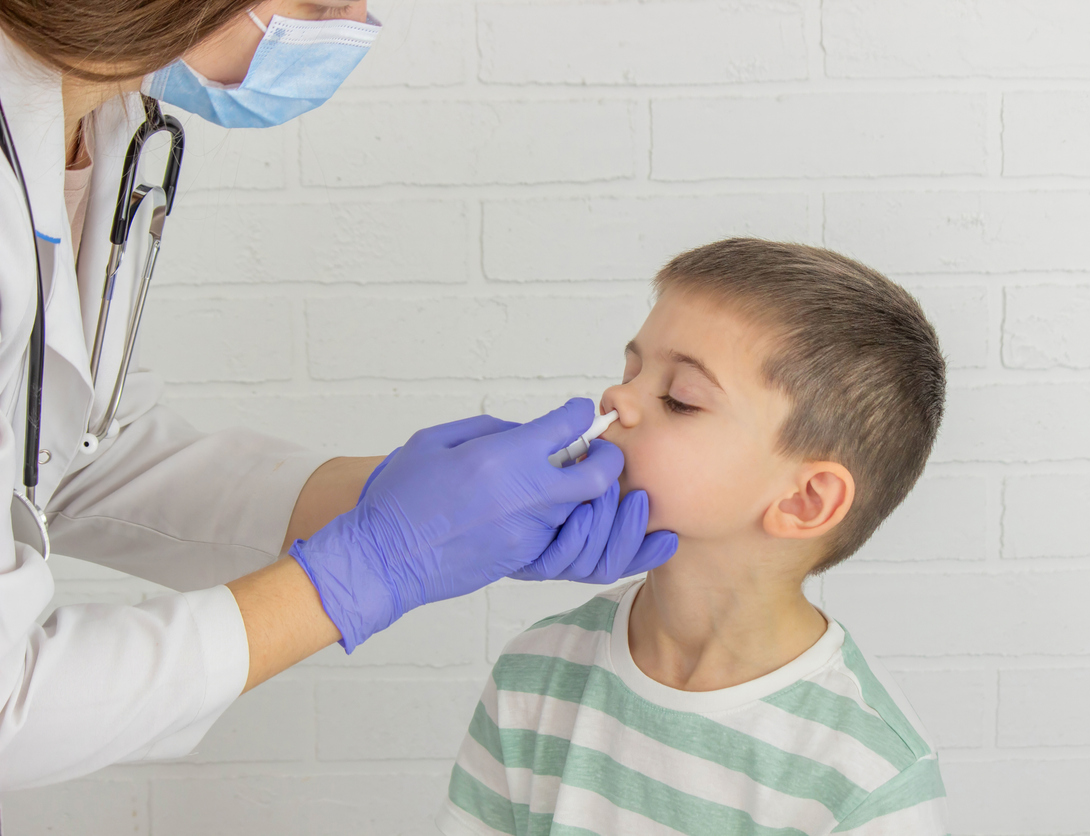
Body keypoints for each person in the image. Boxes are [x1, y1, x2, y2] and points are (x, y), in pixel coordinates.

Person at [0, 0, 676, 793]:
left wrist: (395, 502)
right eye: (321, 4)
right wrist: (372, 565)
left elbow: (67, 450)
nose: (350, 25)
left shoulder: (99, 128)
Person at [437, 239, 950, 835]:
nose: (616, 399)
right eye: (630, 373)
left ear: (805, 501)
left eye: (679, 399)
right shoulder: (537, 671)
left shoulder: (870, 775)